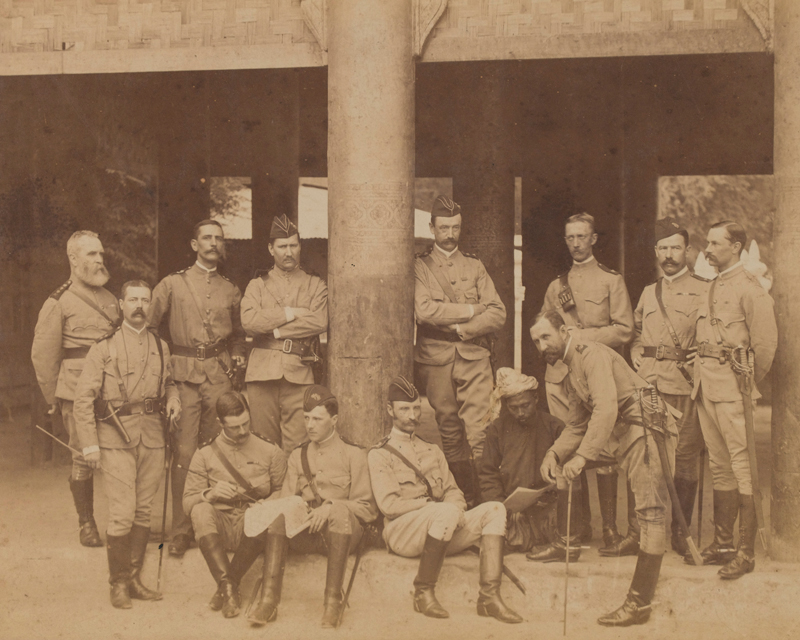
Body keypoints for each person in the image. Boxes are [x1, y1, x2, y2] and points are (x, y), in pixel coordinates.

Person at [531, 311, 675, 627]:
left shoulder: (590, 352)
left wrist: (581, 457)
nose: (542, 346)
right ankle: (639, 602)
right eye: (536, 341)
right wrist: (553, 454)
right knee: (649, 513)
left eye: (546, 337)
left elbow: (607, 407)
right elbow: (576, 423)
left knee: (650, 514)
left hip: (644, 425)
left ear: (564, 330)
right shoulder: (570, 371)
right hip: (630, 430)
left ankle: (639, 604)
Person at [368, 376, 521, 624]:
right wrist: (435, 508)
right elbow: (390, 506)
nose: (412, 415)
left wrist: (455, 508)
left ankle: (489, 599)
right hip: (402, 533)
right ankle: (423, 592)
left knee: (495, 509)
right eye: (404, 409)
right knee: (445, 512)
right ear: (390, 410)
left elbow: (453, 491)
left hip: (442, 528)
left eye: (416, 408)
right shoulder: (379, 454)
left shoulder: (433, 450)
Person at [73, 280, 181, 609]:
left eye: (144, 301)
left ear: (151, 306)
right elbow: (83, 400)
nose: (139, 306)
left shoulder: (161, 347)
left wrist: (174, 398)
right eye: (132, 300)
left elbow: (169, 383)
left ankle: (134, 579)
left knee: (144, 510)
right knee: (122, 512)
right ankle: (117, 583)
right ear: (121, 305)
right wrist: (89, 445)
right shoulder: (103, 347)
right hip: (114, 439)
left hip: (152, 435)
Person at [148, 219, 247, 557]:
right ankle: (181, 528)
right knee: (186, 454)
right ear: (194, 245)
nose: (213, 244)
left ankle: (214, 524)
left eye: (219, 239)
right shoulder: (172, 285)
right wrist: (162, 365)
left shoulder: (231, 289)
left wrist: (236, 356)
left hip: (219, 377)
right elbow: (148, 328)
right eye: (206, 237)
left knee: (217, 451)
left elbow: (237, 335)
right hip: (183, 378)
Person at [242, 385, 378, 628]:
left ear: (334, 420)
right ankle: (268, 602)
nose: (310, 425)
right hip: (308, 533)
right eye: (306, 418)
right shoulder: (298, 455)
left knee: (337, 512)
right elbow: (287, 499)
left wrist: (332, 506)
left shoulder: (353, 454)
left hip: (342, 535)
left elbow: (367, 509)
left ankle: (332, 603)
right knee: (279, 515)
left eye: (317, 418)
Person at [540, 212, 635, 554]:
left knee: (605, 449)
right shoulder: (556, 286)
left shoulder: (611, 281)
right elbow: (543, 328)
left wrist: (583, 336)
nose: (576, 243)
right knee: (568, 450)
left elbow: (625, 329)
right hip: (561, 379)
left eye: (582, 236)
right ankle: (577, 529)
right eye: (571, 238)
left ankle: (610, 528)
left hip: (596, 376)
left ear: (594, 239)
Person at [688, 220, 777, 579]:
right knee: (720, 465)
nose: (707, 249)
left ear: (736, 246)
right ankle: (723, 543)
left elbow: (766, 345)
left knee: (743, 467)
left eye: (714, 243)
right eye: (707, 243)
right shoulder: (711, 286)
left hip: (731, 385)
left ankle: (746, 551)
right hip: (705, 385)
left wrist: (747, 380)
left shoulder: (750, 289)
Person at [414, 195, 506, 506]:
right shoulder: (420, 267)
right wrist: (470, 309)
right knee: (449, 430)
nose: (450, 234)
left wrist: (462, 328)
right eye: (444, 228)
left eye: (455, 227)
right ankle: (465, 498)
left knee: (481, 430)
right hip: (436, 358)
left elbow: (498, 313)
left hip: (474, 356)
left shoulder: (475, 265)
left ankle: (487, 502)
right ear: (431, 228)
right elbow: (424, 311)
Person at [31, 230, 120, 547]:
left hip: (112, 390)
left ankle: (120, 523)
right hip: (74, 390)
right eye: (91, 255)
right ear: (73, 258)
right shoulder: (59, 302)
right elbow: (43, 356)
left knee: (117, 452)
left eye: (100, 254)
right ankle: (87, 524)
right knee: (83, 456)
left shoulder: (110, 299)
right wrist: (51, 398)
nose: (99, 260)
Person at [631, 217, 710, 557]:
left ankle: (681, 529)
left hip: (685, 384)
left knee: (686, 456)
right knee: (646, 453)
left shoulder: (706, 289)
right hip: (650, 384)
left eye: (675, 247)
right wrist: (637, 355)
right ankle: (644, 531)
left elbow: (712, 334)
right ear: (656, 252)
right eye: (663, 248)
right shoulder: (650, 292)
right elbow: (634, 331)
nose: (669, 255)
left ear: (688, 250)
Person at [183, 391, 287, 619]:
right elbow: (187, 503)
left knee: (269, 515)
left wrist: (266, 503)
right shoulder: (205, 454)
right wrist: (209, 493)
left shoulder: (271, 450)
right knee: (200, 510)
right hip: (218, 528)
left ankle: (227, 588)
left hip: (252, 528)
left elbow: (283, 490)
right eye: (234, 427)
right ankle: (230, 588)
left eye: (245, 424)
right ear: (220, 423)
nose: (242, 432)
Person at [241, 214, 328, 455]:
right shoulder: (257, 285)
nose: (288, 252)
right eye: (282, 246)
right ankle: (269, 493)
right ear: (271, 249)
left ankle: (294, 493)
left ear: (300, 246)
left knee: (298, 445)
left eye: (293, 245)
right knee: (263, 445)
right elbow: (249, 321)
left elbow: (319, 321)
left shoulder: (315, 284)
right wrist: (290, 312)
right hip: (261, 373)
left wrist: (276, 330)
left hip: (299, 371)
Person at [478, 368, 580, 558]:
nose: (520, 412)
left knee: (563, 529)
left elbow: (570, 474)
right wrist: (501, 506)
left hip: (548, 505)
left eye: (525, 405)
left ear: (536, 399)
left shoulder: (555, 426)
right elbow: (488, 473)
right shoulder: (497, 429)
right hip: (512, 509)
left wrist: (551, 493)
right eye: (513, 408)